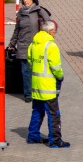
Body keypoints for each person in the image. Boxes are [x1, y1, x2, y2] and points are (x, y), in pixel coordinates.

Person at [26, 19, 68, 148]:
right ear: (50, 31)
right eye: (54, 31)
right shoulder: (51, 45)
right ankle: (55, 140)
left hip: (36, 84)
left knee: (37, 111)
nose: (55, 33)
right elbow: (56, 67)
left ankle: (33, 136)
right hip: (48, 86)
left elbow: (30, 62)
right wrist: (60, 77)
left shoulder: (33, 44)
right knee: (54, 114)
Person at [7, 0, 51, 100]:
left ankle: (38, 91)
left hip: (36, 47)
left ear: (33, 0)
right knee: (25, 71)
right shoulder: (21, 13)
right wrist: (12, 43)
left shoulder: (39, 11)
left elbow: (50, 26)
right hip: (23, 46)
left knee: (37, 71)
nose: (25, 1)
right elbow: (17, 30)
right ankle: (28, 94)